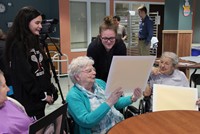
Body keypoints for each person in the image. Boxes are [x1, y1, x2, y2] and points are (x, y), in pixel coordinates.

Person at [3, 6, 58, 119]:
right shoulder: (17, 46)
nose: (40, 26)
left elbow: (43, 69)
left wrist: (50, 90)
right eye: (37, 23)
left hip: (39, 100)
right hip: (29, 102)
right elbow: (25, 76)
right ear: (25, 23)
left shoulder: (34, 41)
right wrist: (42, 95)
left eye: (41, 23)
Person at [66, 56, 142, 134]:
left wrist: (132, 98)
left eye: (93, 70)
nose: (94, 73)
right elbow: (86, 121)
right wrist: (108, 102)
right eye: (89, 71)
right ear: (77, 77)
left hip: (118, 125)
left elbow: (116, 103)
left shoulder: (99, 83)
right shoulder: (73, 96)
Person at [87, 16, 127, 82]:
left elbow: (122, 68)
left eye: (111, 38)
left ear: (116, 36)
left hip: (115, 79)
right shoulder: (93, 47)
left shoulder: (120, 45)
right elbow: (90, 70)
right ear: (100, 37)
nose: (108, 41)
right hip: (97, 80)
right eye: (105, 38)